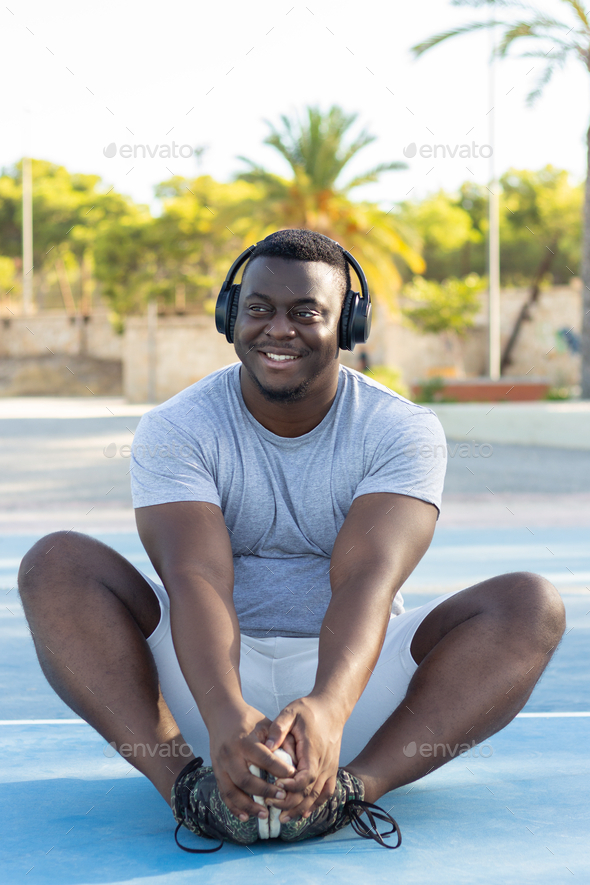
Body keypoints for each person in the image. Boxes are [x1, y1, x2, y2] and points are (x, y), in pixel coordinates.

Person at [18, 229, 565, 853]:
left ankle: (348, 793)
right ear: (230, 317)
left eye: (305, 312)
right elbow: (195, 576)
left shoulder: (400, 429)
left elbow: (367, 578)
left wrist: (329, 708)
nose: (279, 328)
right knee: (57, 562)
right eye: (259, 310)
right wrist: (225, 710)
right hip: (208, 684)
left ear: (348, 326)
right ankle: (190, 789)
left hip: (356, 692)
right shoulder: (177, 427)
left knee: (531, 603)